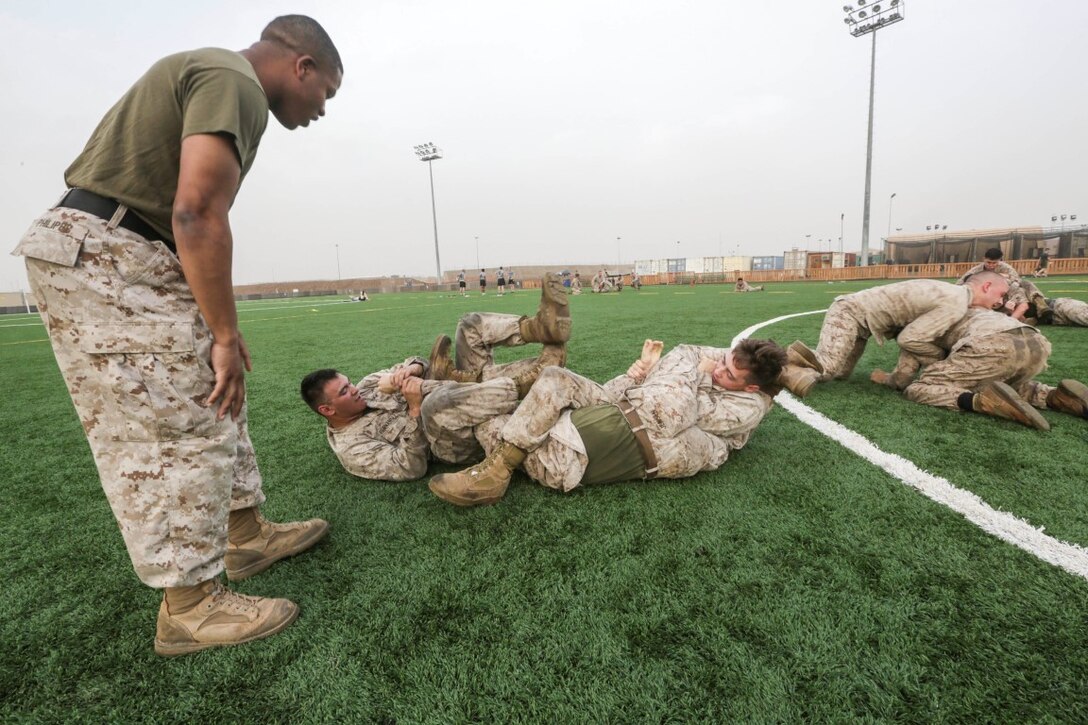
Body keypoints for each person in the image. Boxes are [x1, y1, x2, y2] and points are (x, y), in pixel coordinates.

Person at [11, 16, 342, 656]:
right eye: (326, 92)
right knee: (175, 424)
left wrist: (220, 328)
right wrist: (220, 329)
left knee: (217, 395)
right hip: (112, 254)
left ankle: (243, 535)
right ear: (300, 66)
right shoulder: (233, 77)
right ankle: (189, 607)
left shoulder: (220, 75)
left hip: (133, 251)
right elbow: (195, 209)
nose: (322, 110)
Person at [428, 338, 788, 507]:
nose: (719, 371)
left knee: (490, 421)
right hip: (605, 412)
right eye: (722, 363)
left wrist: (686, 368)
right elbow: (632, 396)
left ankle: (493, 470)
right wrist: (641, 372)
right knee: (551, 379)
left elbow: (671, 408)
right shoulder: (707, 383)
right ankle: (451, 386)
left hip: (565, 458)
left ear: (752, 387)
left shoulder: (745, 410)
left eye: (729, 375)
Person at [301, 276, 571, 481]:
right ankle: (524, 383)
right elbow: (410, 467)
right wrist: (415, 411)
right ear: (327, 409)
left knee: (469, 325)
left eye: (348, 383)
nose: (355, 389)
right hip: (453, 439)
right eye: (345, 391)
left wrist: (414, 369)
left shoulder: (367, 386)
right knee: (435, 402)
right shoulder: (352, 448)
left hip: (466, 395)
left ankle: (540, 328)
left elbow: (414, 360)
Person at [783, 275, 1009, 397]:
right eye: (1001, 295)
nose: (1000, 302)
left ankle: (790, 360)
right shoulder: (956, 304)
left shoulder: (953, 294)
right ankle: (777, 362)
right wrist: (941, 358)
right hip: (850, 312)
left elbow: (912, 340)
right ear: (987, 286)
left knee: (842, 374)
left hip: (861, 322)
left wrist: (898, 379)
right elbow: (909, 340)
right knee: (828, 369)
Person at [890, 307, 1088, 429]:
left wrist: (889, 379)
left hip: (992, 345)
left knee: (917, 389)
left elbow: (903, 378)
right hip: (1036, 342)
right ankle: (1056, 397)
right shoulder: (957, 306)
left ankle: (982, 401)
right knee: (1000, 380)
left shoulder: (915, 328)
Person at [955, 247, 1039, 320]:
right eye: (988, 262)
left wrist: (1004, 278)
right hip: (985, 298)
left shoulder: (1006, 268)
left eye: (994, 263)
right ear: (984, 259)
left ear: (999, 260)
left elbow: (1017, 280)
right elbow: (960, 283)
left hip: (1006, 295)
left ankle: (1041, 307)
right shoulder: (976, 270)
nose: (991, 265)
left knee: (1024, 286)